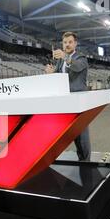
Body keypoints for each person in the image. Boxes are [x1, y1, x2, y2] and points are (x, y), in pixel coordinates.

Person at [45, 31, 91, 161]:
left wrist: (65, 57)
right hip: (64, 101)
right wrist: (51, 73)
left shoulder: (81, 58)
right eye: (65, 42)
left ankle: (85, 162)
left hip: (78, 101)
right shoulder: (60, 61)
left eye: (70, 42)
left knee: (81, 135)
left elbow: (76, 67)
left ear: (75, 43)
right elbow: (58, 77)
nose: (67, 44)